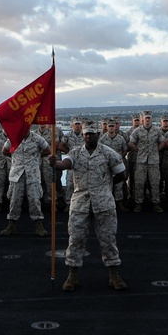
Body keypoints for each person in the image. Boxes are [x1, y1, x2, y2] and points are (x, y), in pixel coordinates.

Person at [50, 120, 128, 292]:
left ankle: (114, 275)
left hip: (104, 203)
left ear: (98, 135)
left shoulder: (109, 153)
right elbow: (65, 164)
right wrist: (56, 163)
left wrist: (107, 186)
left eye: (91, 134)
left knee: (108, 240)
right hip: (80, 203)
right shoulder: (76, 153)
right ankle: (72, 275)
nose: (88, 137)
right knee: (76, 239)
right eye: (86, 134)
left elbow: (122, 174)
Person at [0, 126, 51, 237]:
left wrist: (36, 157)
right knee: (14, 200)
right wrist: (14, 157)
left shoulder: (37, 139)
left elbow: (47, 150)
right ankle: (11, 225)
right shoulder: (13, 138)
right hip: (17, 173)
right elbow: (4, 151)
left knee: (34, 200)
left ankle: (38, 225)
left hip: (32, 173)